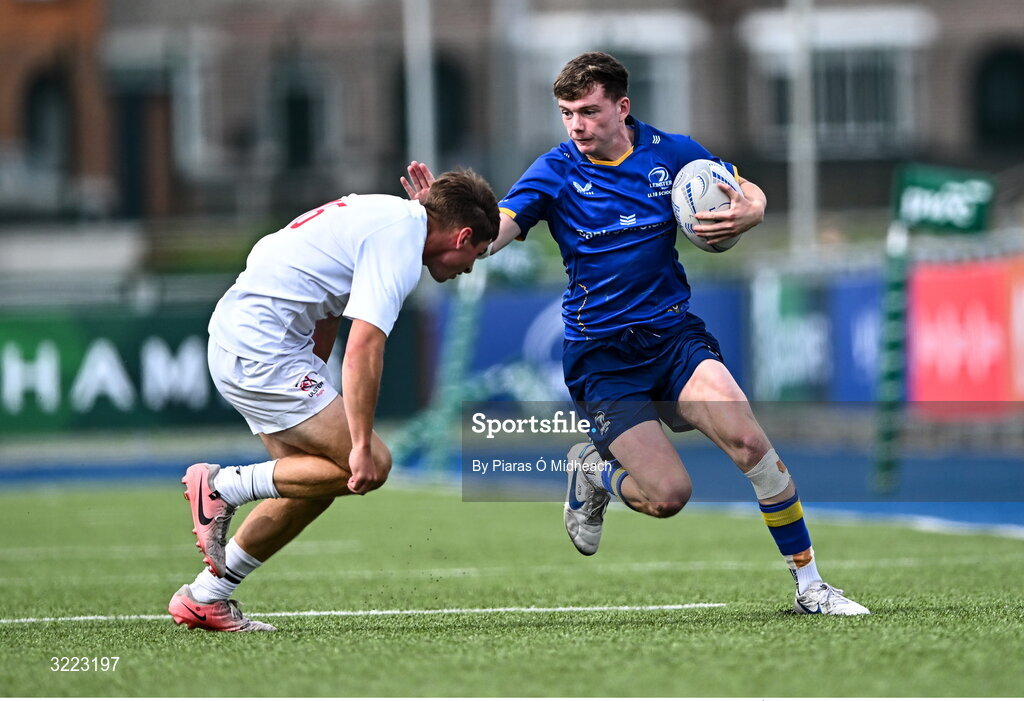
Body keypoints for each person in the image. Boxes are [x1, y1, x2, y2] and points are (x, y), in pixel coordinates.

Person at [402, 52, 868, 615]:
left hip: (674, 343)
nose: (576, 125)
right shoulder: (554, 170)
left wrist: (755, 211)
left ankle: (811, 587)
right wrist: (434, 225)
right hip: (603, 362)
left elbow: (747, 191)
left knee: (750, 441)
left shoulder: (675, 155)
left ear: (622, 107)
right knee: (668, 497)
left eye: (589, 111)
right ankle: (591, 470)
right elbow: (496, 229)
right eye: (567, 113)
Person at [168, 170, 499, 632]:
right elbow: (364, 346)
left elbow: (328, 310)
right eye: (476, 254)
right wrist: (361, 442)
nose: (470, 267)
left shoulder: (396, 219)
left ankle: (206, 596)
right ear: (462, 235)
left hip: (246, 339)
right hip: (261, 348)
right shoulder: (401, 242)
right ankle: (222, 487)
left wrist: (317, 387)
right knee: (372, 465)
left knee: (319, 485)